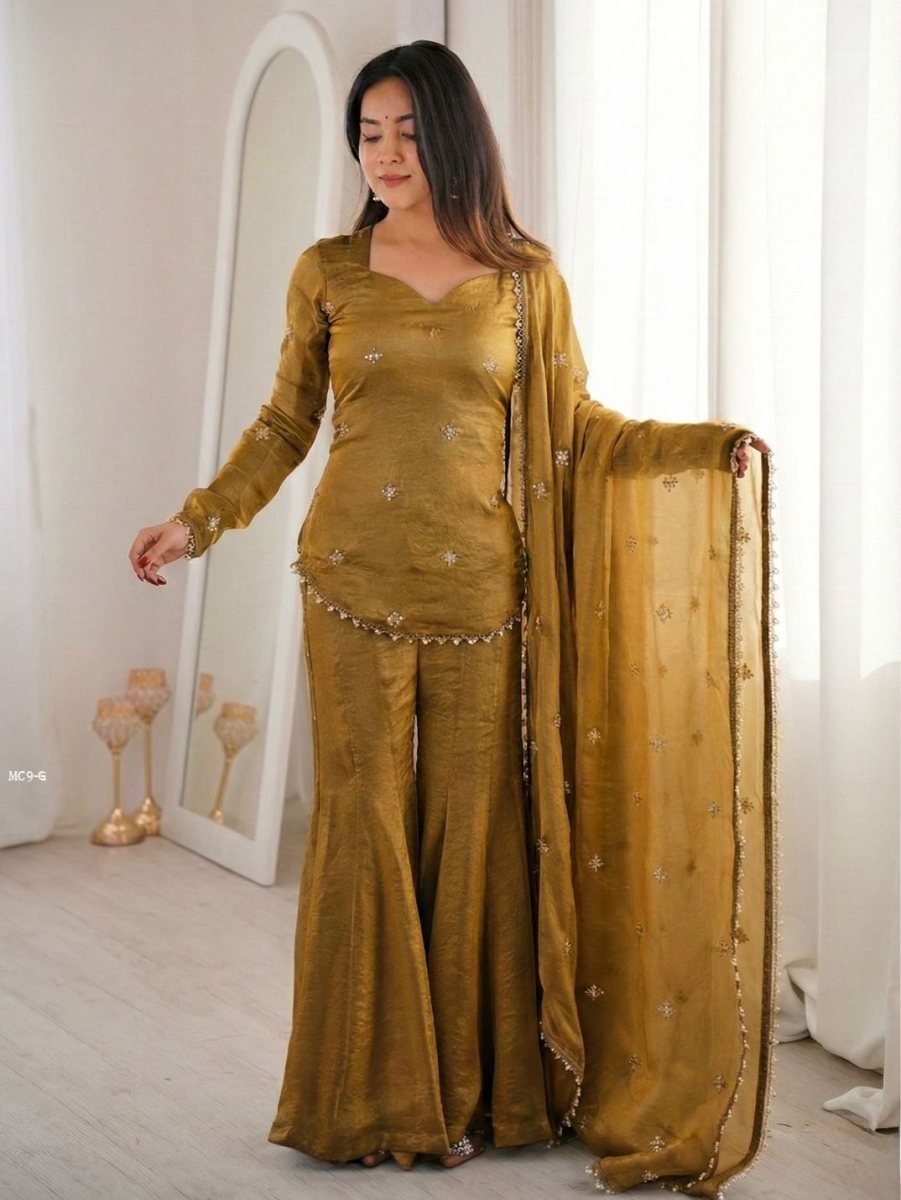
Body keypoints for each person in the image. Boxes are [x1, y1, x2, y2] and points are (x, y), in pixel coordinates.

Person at [129, 41, 777, 1194]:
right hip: (347, 584)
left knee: (472, 835)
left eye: (407, 133)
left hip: (484, 596)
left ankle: (470, 1093)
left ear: (453, 137)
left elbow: (577, 427)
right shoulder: (328, 270)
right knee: (363, 829)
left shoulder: (526, 279)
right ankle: (368, 1101)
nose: (383, 155)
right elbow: (285, 424)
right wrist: (198, 519)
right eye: (367, 134)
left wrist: (696, 449)